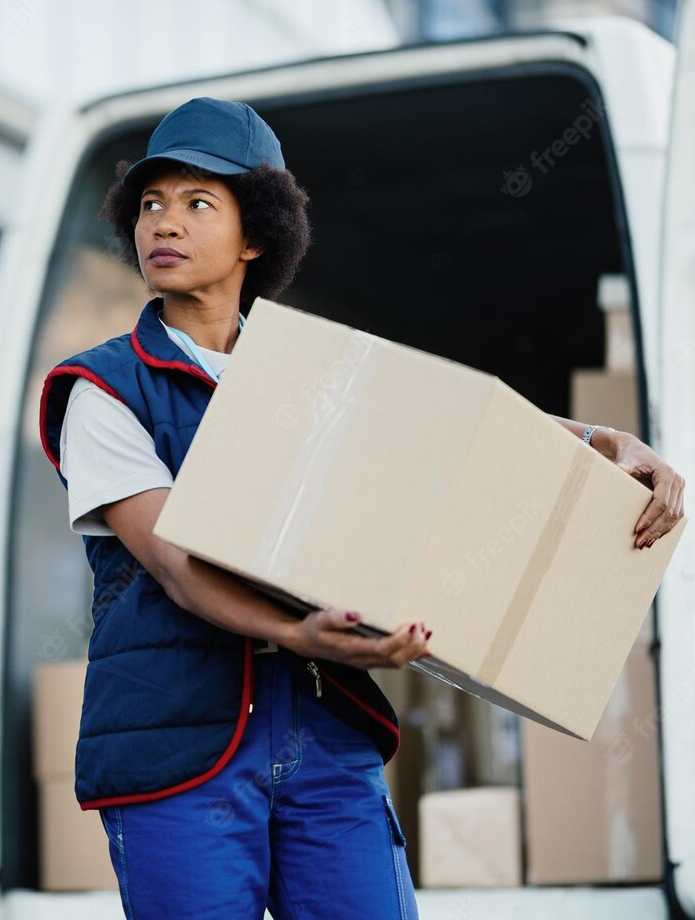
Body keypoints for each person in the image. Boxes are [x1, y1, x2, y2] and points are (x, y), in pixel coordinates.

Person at [37, 96, 685, 919]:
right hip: (179, 746)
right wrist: (293, 631)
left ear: (254, 236)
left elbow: (449, 429)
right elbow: (172, 561)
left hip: (322, 729)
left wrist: (599, 440)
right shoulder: (102, 388)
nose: (165, 223)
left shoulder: (307, 368)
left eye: (199, 204)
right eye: (152, 204)